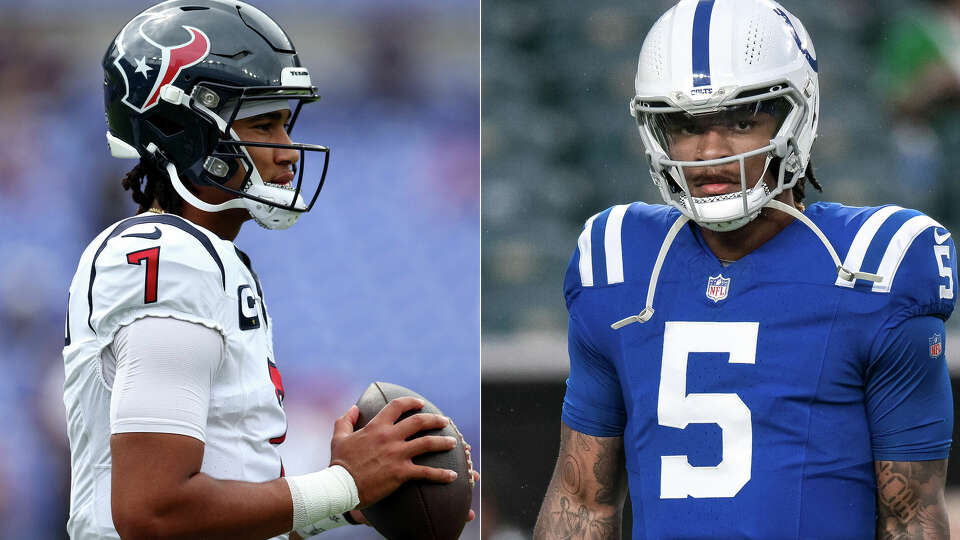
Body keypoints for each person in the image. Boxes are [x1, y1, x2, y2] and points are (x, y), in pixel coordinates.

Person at [534, 1, 955, 538]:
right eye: (685, 125)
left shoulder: (875, 266)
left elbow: (910, 516)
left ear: (796, 115)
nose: (711, 151)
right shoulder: (618, 260)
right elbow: (582, 503)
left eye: (741, 120)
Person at [62, 1, 474, 539]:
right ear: (185, 130)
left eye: (284, 122)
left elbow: (211, 509)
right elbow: (152, 510)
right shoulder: (167, 257)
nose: (287, 151)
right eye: (262, 124)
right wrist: (346, 483)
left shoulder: (205, 257)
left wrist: (352, 498)